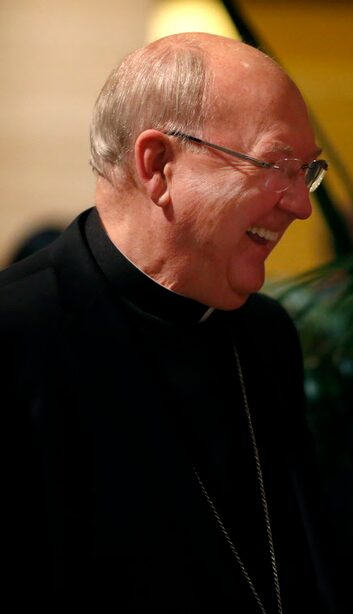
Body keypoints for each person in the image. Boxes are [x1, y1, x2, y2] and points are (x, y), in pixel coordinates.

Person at [1, 33, 334, 613]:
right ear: (158, 166)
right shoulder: (16, 334)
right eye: (276, 166)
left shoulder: (266, 336)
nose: (301, 205)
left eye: (306, 171)